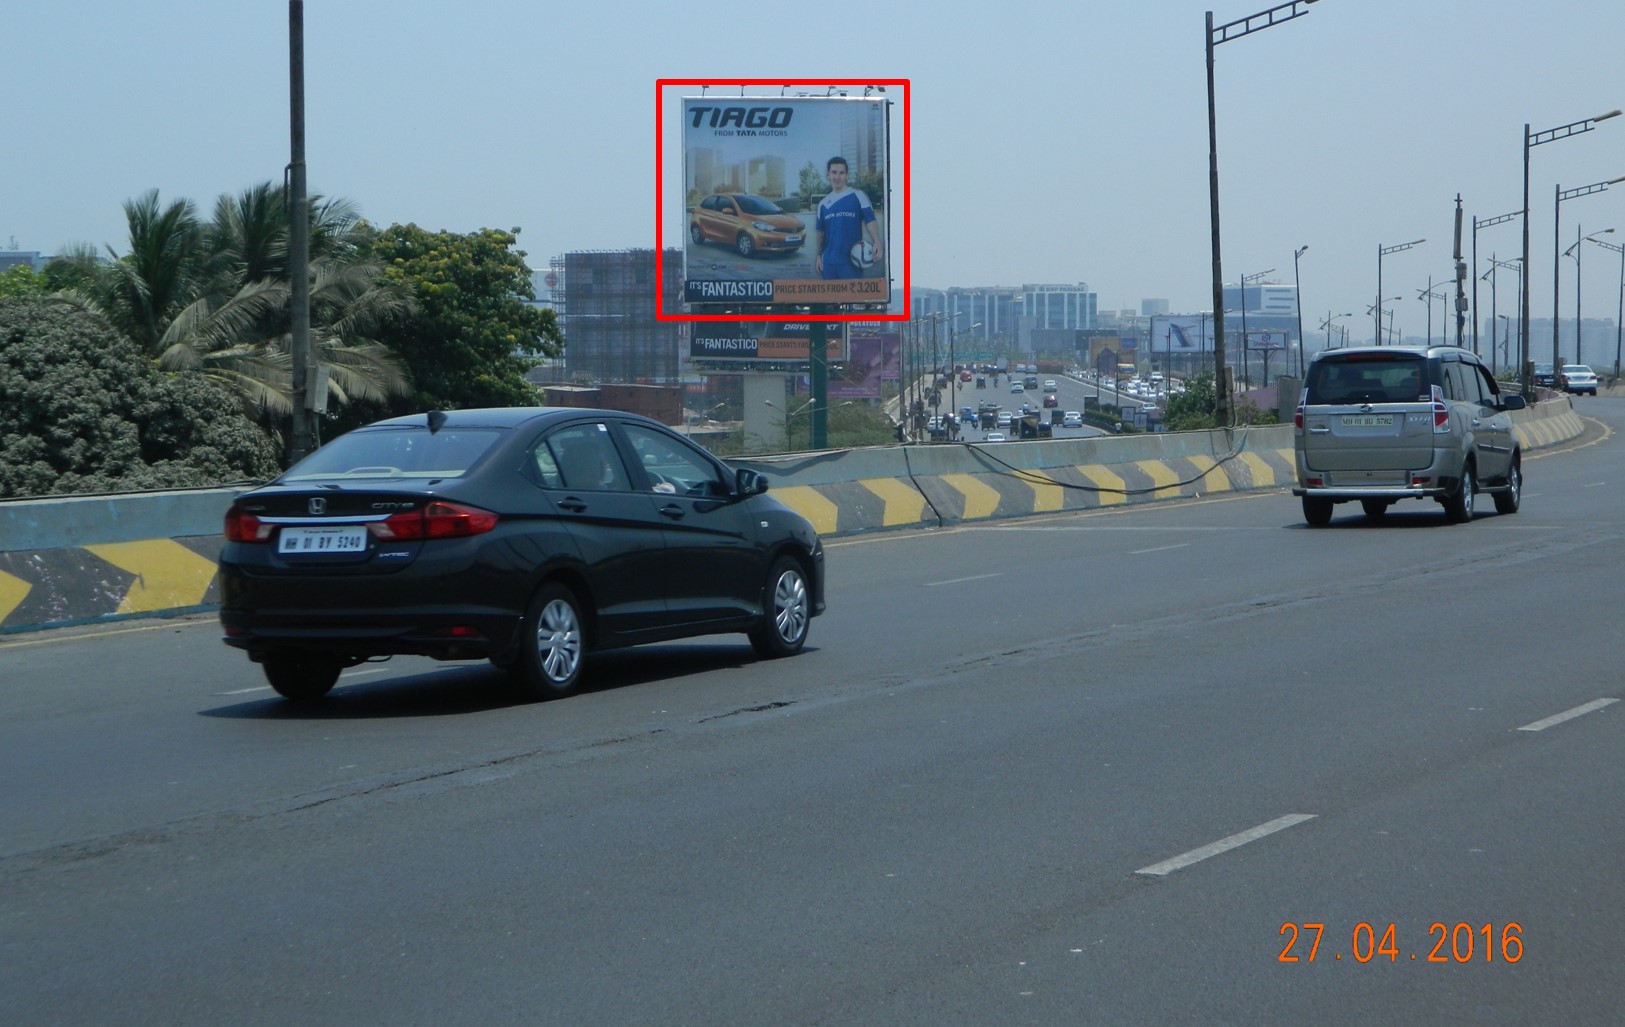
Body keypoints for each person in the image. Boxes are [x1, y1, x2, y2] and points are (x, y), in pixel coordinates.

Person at [813, 156, 883, 279]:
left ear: (846, 175)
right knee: (831, 298)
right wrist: (819, 256)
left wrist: (877, 241)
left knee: (853, 298)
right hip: (829, 263)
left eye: (841, 173)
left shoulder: (858, 196)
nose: (837, 177)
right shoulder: (822, 204)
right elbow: (821, 233)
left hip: (852, 262)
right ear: (828, 174)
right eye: (834, 172)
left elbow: (870, 219)